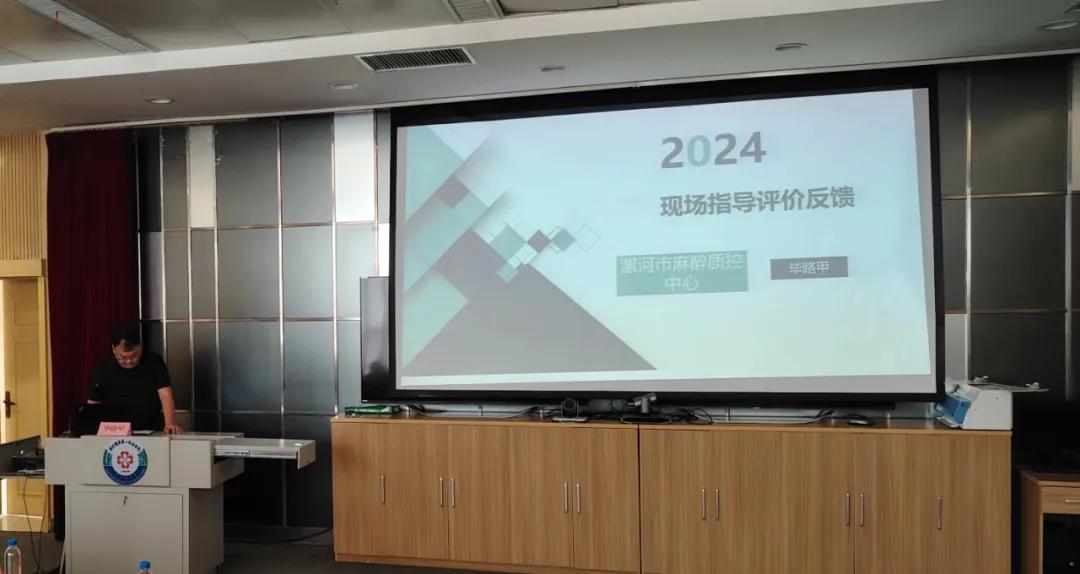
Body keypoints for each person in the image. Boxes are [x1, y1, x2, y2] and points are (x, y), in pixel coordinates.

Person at [87, 324, 183, 434]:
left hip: (151, 429)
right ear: (113, 349)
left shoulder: (154, 363)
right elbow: (93, 402)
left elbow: (165, 395)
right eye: (123, 357)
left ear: (140, 347)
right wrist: (92, 428)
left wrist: (169, 424)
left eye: (134, 356)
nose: (129, 361)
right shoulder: (103, 368)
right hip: (115, 431)